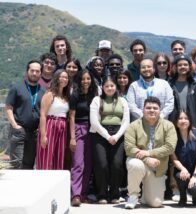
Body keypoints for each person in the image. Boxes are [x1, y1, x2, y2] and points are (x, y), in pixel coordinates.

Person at [124, 96, 177, 209]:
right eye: (148, 108)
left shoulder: (168, 125)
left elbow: (170, 147)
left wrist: (149, 153)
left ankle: (145, 196)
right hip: (140, 163)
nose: (152, 110)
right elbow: (129, 148)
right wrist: (147, 159)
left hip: (158, 168)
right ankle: (133, 196)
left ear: (160, 110)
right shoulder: (133, 126)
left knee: (156, 203)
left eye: (155, 108)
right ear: (143, 109)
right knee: (134, 164)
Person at [89, 76, 130, 204]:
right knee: (101, 164)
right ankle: (101, 194)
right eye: (107, 86)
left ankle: (114, 193)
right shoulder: (96, 100)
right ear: (103, 88)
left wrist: (116, 136)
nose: (109, 88)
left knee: (117, 164)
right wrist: (107, 136)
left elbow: (126, 121)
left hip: (118, 133)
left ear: (116, 87)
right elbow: (94, 122)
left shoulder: (123, 100)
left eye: (112, 86)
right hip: (99, 133)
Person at [5, 60, 45, 169]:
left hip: (34, 133)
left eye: (37, 71)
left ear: (41, 73)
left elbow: (45, 112)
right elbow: (8, 108)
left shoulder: (43, 91)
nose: (34, 73)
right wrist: (15, 125)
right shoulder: (17, 88)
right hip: (19, 131)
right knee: (16, 163)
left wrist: (40, 128)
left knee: (29, 165)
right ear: (27, 71)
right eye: (32, 71)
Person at [69, 70, 98, 206]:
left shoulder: (94, 95)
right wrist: (72, 137)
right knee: (78, 163)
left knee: (88, 164)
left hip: (93, 130)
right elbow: (72, 117)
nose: (85, 81)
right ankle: (75, 194)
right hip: (79, 128)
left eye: (88, 79)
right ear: (79, 80)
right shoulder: (75, 95)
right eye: (83, 79)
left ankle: (83, 194)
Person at [36, 70, 71, 170]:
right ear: (56, 78)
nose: (64, 79)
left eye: (66, 77)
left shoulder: (65, 96)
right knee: (45, 157)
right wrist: (43, 135)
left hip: (62, 125)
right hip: (50, 124)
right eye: (62, 77)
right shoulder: (50, 94)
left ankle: (56, 184)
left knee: (59, 157)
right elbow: (43, 115)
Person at [172, 110, 196, 207]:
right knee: (180, 176)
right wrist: (182, 169)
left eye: (186, 118)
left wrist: (194, 176)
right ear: (176, 121)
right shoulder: (172, 135)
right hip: (181, 170)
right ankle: (183, 197)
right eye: (180, 118)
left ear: (190, 120)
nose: (183, 121)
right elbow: (173, 158)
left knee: (195, 189)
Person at [169, 54, 196, 128]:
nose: (182, 67)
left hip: (191, 123)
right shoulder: (169, 85)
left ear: (189, 67)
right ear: (176, 67)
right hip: (174, 123)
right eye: (180, 65)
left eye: (185, 65)